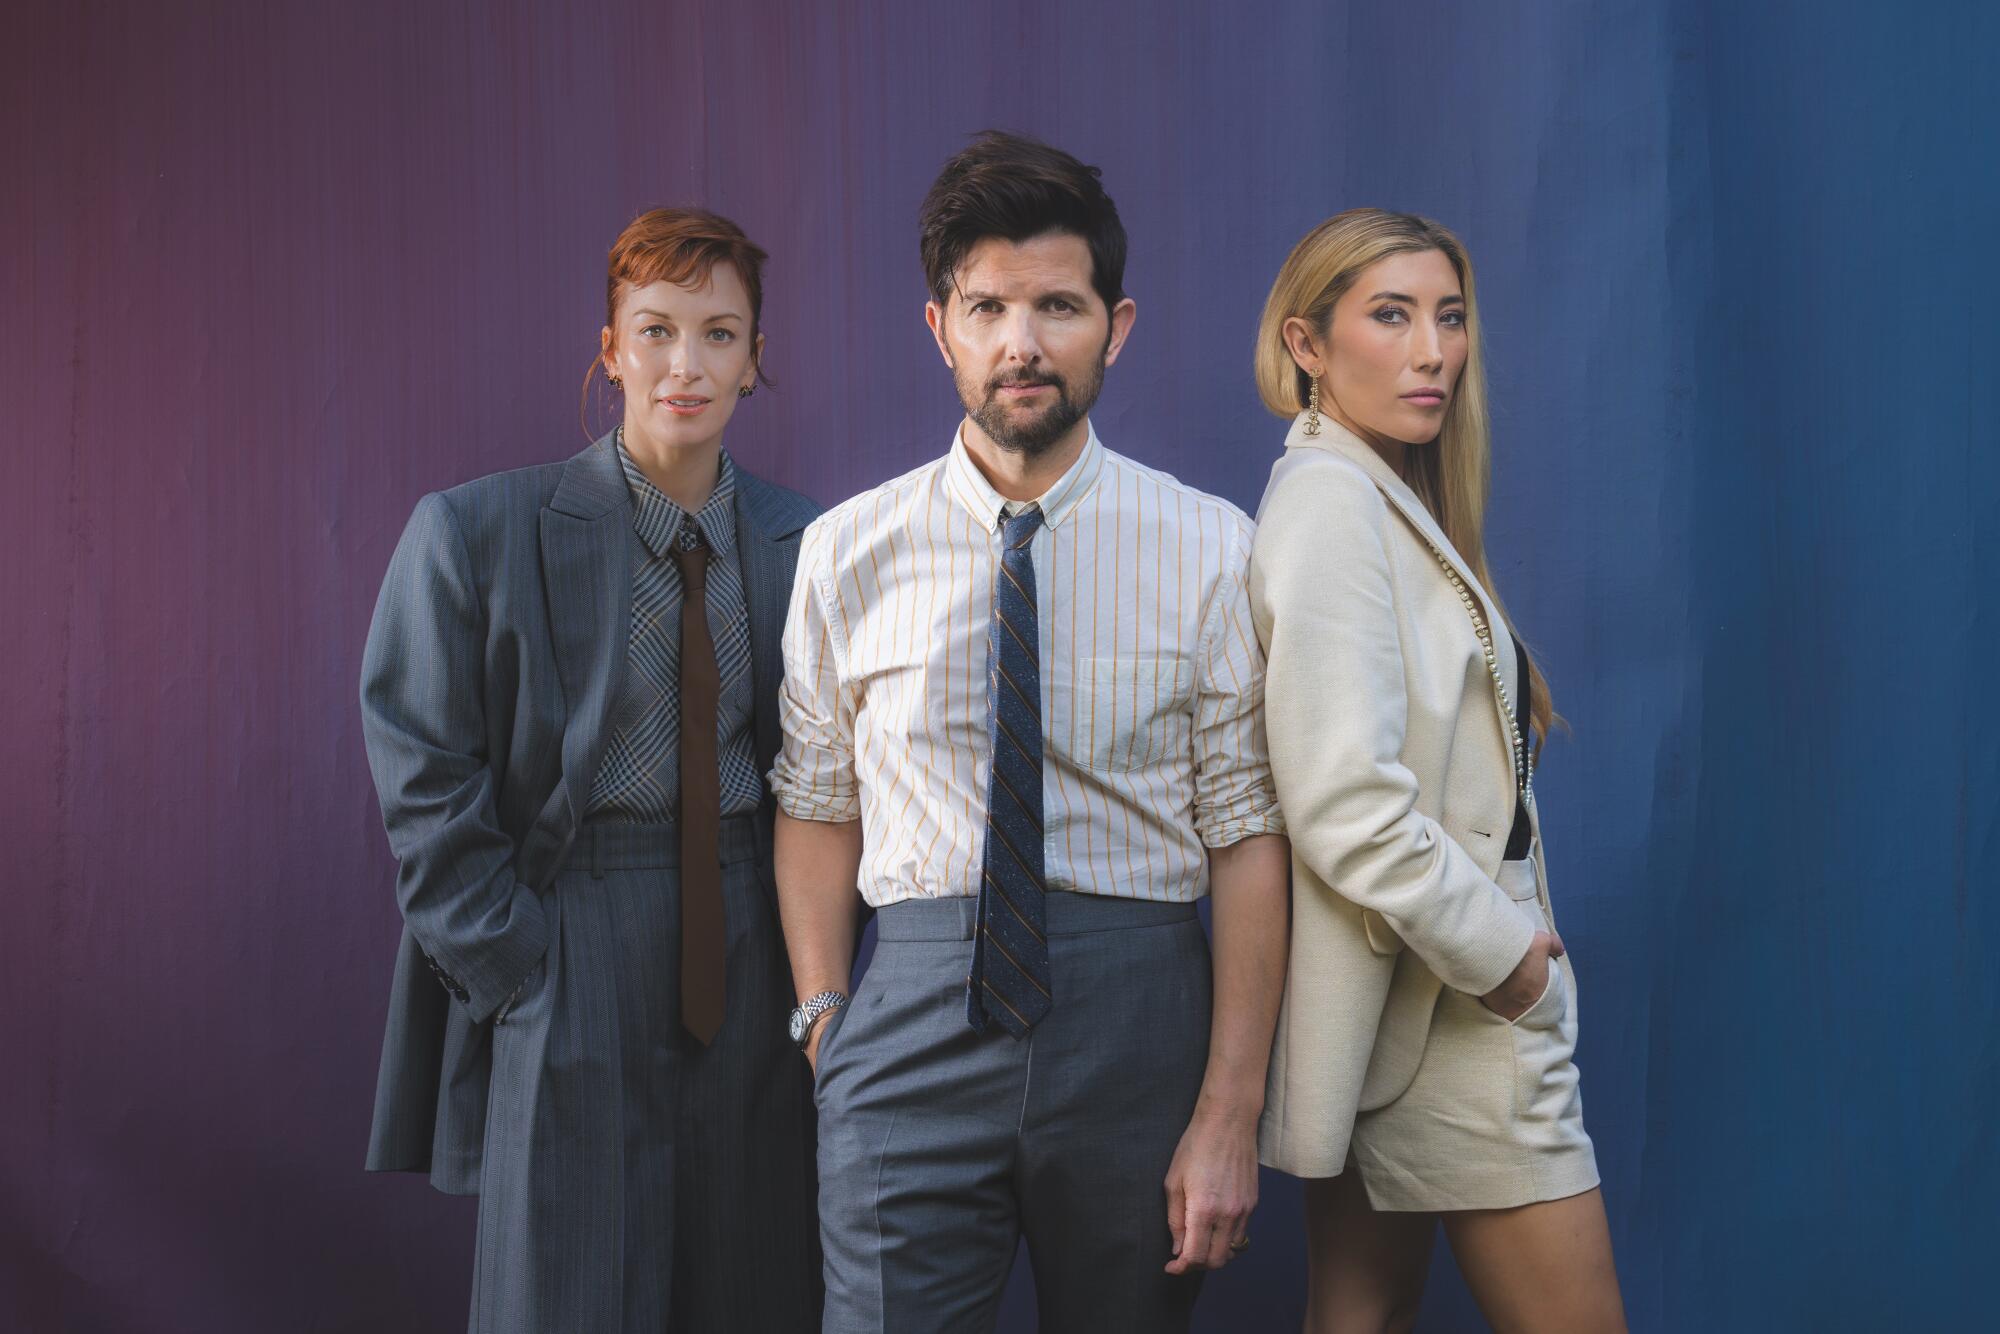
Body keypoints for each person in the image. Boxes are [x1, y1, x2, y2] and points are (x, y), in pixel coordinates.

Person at [769, 131, 1291, 1334]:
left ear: (1115, 325)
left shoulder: (1210, 546)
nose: (1020, 342)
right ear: (937, 325)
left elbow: (1245, 833)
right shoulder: (846, 551)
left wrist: (1226, 1107)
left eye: (1056, 305)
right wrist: (824, 1022)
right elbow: (814, 800)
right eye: (987, 305)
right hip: (901, 1012)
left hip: (1139, 1026)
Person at [359, 207, 823, 1332]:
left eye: (719, 334)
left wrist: (822, 983)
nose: (685, 363)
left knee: (755, 1287)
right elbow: (421, 767)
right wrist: (516, 964)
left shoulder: (810, 542)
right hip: (569, 931)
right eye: (655, 329)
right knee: (565, 1292)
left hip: (758, 939)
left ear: (755, 360)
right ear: (609, 347)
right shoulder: (477, 528)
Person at [1249, 208, 1629, 1333]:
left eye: (1448, 316)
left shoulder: (1377, 492)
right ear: (1305, 344)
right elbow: (1343, 800)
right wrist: (1503, 956)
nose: (1431, 350)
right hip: (1452, 994)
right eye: (1390, 315)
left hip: (1405, 1004)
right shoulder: (1328, 503)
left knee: (1356, 1314)